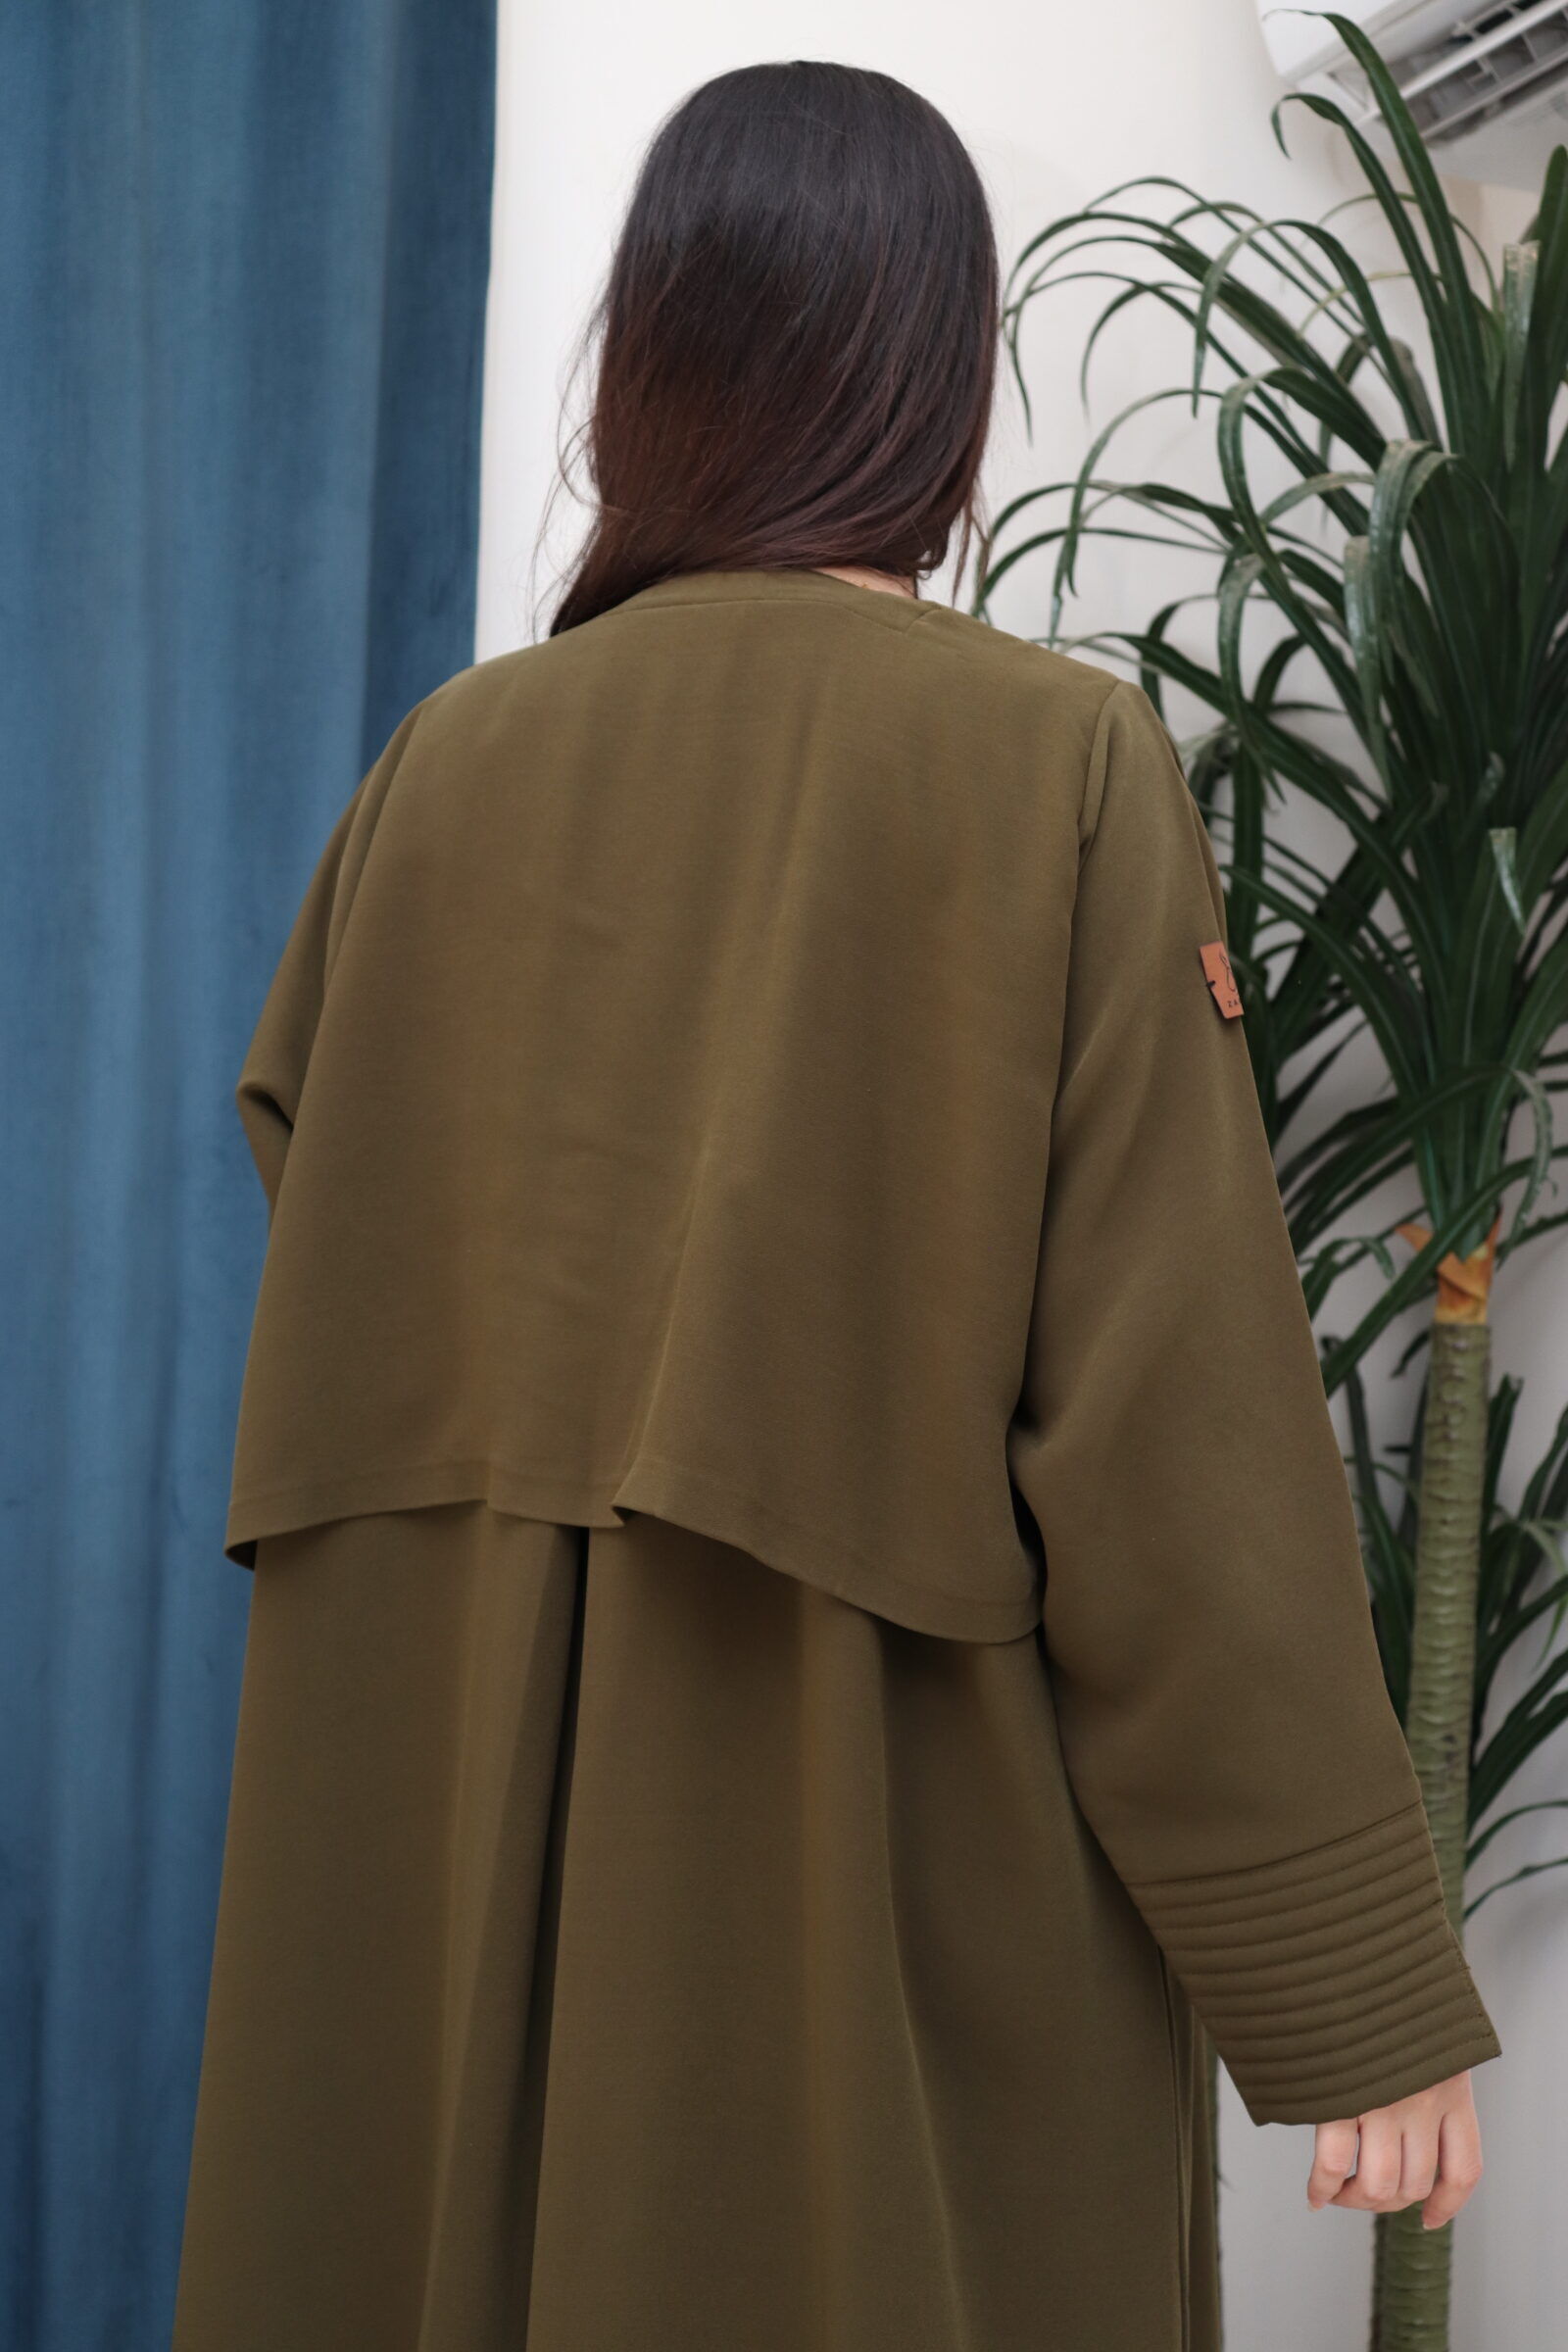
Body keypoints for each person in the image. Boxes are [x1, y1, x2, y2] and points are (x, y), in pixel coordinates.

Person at [172, 59, 1499, 2352]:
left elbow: (322, 1169)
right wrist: (1353, 1993)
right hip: (860, 1897)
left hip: (431, 1878)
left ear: (649, 361)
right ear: (935, 374)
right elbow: (1168, 1438)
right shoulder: (1048, 767)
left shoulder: (435, 775)